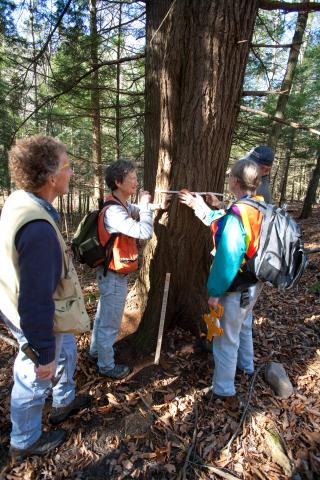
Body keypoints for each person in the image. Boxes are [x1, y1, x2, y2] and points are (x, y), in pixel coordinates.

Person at [0, 136, 91, 463]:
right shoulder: (37, 229)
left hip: (38, 309)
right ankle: (24, 439)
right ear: (52, 177)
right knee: (34, 376)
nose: (72, 171)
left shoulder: (23, 200)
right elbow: (35, 301)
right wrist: (41, 352)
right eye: (67, 166)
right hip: (34, 317)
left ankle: (63, 401)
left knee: (65, 350)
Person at [179, 158, 264, 401]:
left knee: (226, 340)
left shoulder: (238, 214)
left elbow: (227, 258)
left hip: (236, 287)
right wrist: (202, 207)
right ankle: (246, 367)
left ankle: (224, 390)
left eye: (229, 176)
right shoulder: (257, 205)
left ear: (235, 181)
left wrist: (215, 292)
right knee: (244, 326)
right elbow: (225, 219)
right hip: (254, 283)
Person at [89, 159, 169, 379]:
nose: (136, 182)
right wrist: (144, 207)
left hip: (113, 273)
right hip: (113, 276)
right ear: (118, 182)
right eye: (131, 178)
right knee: (110, 323)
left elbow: (138, 211)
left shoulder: (120, 204)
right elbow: (143, 231)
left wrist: (155, 207)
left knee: (103, 316)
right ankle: (106, 366)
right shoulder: (114, 211)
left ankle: (96, 351)